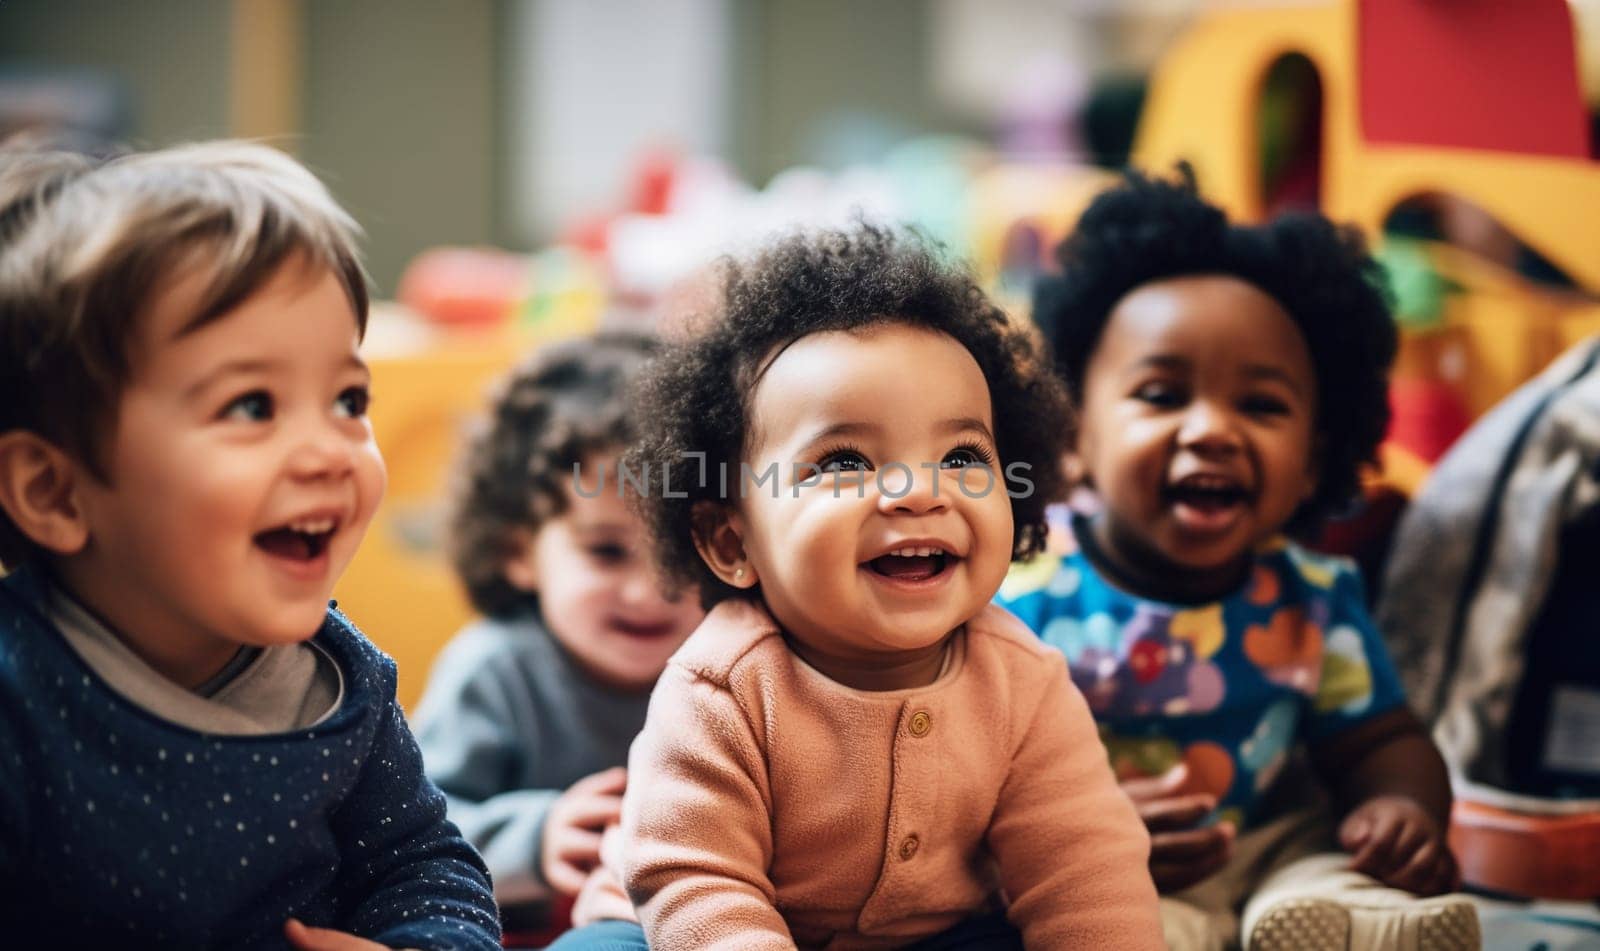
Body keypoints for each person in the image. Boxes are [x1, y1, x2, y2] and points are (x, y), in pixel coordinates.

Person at [550, 224, 1164, 950]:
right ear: (732, 540)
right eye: (844, 462)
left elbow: (1084, 865)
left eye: (962, 454)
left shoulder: (1023, 681)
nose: (916, 493)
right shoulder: (719, 688)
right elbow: (695, 878)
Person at [0, 140, 500, 949]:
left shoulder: (345, 682)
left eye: (347, 397)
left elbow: (424, 863)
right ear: (56, 491)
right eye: (252, 406)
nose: (330, 450)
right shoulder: (19, 696)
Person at [1003, 166, 1479, 950]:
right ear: (1072, 437)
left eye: (1261, 405)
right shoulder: (1027, 595)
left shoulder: (1314, 598)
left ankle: (1361, 923)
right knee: (1120, 927)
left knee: (1319, 865)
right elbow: (966, 777)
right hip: (1096, 858)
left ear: (1312, 460)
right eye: (1162, 394)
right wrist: (1087, 836)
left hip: (1266, 845)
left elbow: (1382, 740)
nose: (1213, 430)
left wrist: (1403, 810)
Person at [411, 333, 704, 940]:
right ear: (517, 549)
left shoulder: (732, 664)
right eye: (606, 551)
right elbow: (406, 835)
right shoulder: (495, 670)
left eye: (679, 553)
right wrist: (537, 835)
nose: (650, 591)